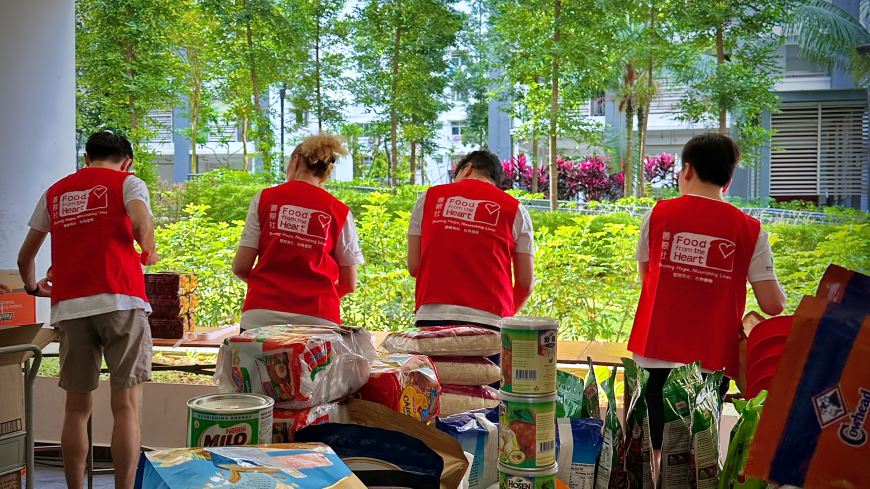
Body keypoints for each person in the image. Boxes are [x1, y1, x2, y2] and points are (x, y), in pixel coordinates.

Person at [627, 133, 787, 475]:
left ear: (687, 170)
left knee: (650, 453)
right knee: (695, 457)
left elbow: (648, 280)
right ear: (729, 179)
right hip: (709, 362)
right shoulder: (749, 230)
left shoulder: (658, 215)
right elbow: (773, 306)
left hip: (652, 354)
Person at [15, 131, 159, 489]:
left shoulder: (56, 192)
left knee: (76, 409)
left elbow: (25, 256)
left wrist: (34, 287)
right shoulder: (128, 182)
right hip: (121, 299)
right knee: (125, 405)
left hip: (70, 307)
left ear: (86, 159)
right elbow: (141, 222)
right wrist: (148, 249)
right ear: (126, 161)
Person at [232, 134, 364, 330]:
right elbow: (349, 284)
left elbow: (241, 267)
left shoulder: (264, 199)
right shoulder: (340, 211)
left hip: (261, 315)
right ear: (326, 171)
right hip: (319, 318)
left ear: (295, 160)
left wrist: (268, 289)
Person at [407, 150, 535, 330]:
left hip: (432, 314)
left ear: (467, 168)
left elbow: (414, 266)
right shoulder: (516, 210)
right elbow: (525, 284)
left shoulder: (428, 198)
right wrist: (503, 319)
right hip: (489, 319)